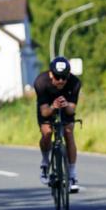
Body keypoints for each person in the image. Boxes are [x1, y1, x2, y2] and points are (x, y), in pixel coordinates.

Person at [34, 56, 81, 191]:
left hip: (65, 109)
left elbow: (72, 110)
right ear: (50, 73)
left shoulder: (75, 82)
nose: (61, 81)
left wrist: (66, 106)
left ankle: (72, 175)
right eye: (57, 77)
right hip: (47, 108)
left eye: (64, 77)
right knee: (47, 132)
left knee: (68, 132)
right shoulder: (41, 82)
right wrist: (54, 107)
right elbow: (44, 113)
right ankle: (45, 163)